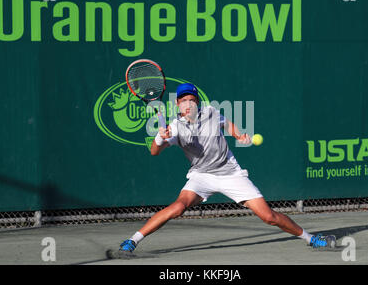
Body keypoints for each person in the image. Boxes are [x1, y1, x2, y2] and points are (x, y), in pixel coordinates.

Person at [118, 83, 335, 253]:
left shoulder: (211, 112)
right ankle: (132, 240)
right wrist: (159, 137)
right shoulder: (174, 127)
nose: (188, 104)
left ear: (197, 103)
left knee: (268, 216)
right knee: (177, 207)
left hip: (230, 173)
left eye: (192, 100)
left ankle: (311, 238)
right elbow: (154, 152)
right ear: (178, 105)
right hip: (201, 176)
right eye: (184, 100)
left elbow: (226, 124)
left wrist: (238, 134)